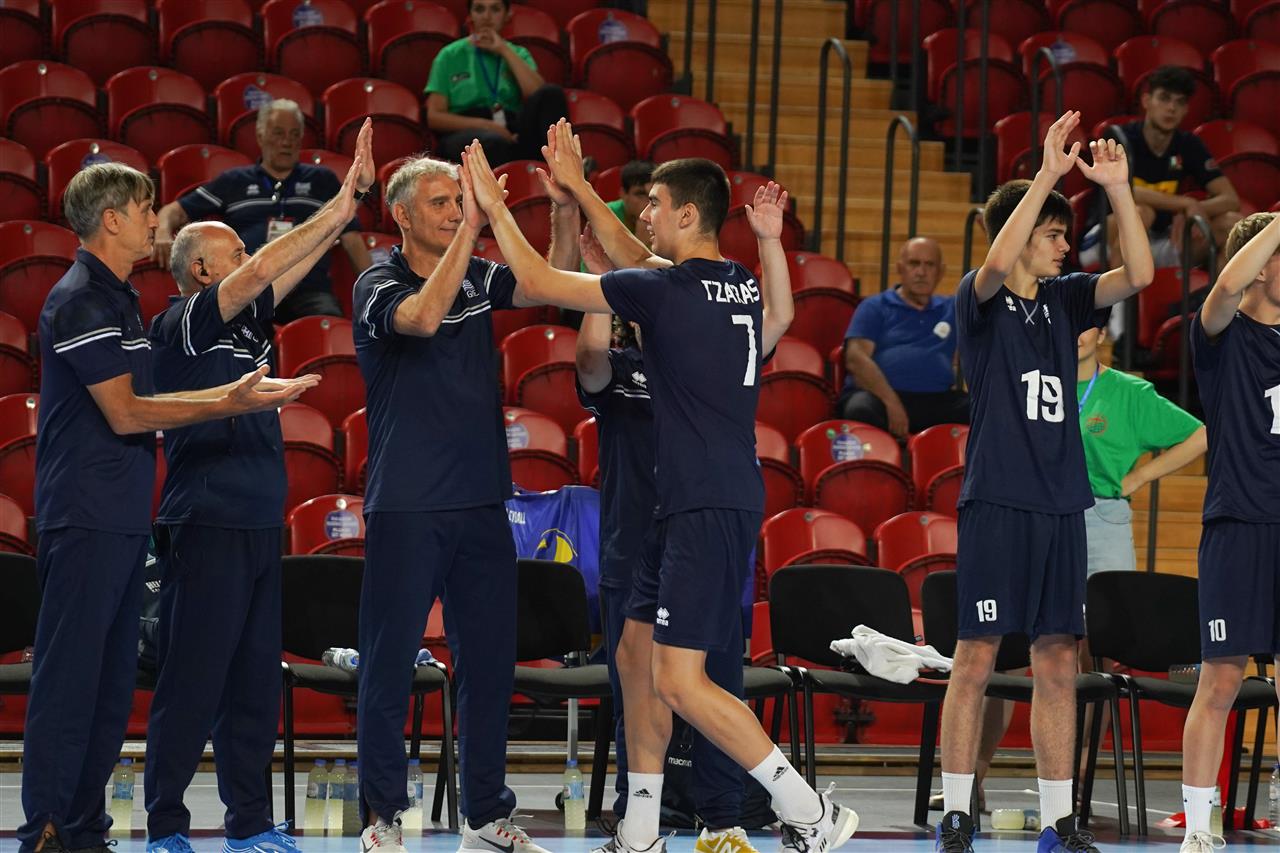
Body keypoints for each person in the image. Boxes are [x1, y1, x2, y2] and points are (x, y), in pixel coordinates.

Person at [465, 120, 857, 853]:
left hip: (705, 504)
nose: (644, 214)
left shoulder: (670, 291)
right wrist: (584, 193)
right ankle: (641, 830)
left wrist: (496, 207)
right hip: (686, 505)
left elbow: (541, 283)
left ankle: (809, 811)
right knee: (633, 659)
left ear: (687, 213)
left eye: (655, 204)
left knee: (680, 680)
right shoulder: (732, 282)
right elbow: (648, 260)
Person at [18, 163, 316, 853]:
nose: (156, 219)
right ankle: (47, 830)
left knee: (110, 686)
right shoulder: (79, 299)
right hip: (84, 512)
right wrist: (225, 402)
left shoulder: (120, 299)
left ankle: (84, 829)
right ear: (111, 218)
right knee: (71, 681)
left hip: (126, 515)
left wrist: (227, 399)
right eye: (145, 207)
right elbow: (126, 413)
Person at [140, 122, 375, 853]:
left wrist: (340, 217)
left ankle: (248, 824)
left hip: (257, 524)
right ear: (202, 271)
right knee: (192, 679)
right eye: (235, 255)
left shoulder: (248, 325)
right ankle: (165, 825)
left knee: (252, 684)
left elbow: (282, 265)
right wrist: (336, 208)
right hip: (205, 522)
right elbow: (269, 261)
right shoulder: (182, 321)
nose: (250, 262)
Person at [936, 111, 1154, 853]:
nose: (1066, 245)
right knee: (976, 655)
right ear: (1024, 232)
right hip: (999, 500)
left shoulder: (1065, 300)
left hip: (1063, 505)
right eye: (1054, 235)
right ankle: (957, 812)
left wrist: (1118, 191)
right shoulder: (981, 296)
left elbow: (1141, 275)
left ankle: (1060, 823)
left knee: (1059, 659)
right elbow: (998, 261)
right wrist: (1046, 177)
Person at [350, 152, 576, 853]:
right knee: (389, 663)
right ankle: (383, 817)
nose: (455, 212)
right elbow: (421, 318)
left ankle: (484, 817)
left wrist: (564, 206)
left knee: (488, 664)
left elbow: (554, 279)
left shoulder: (477, 272)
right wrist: (476, 227)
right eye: (442, 203)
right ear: (402, 215)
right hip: (408, 501)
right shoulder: (377, 282)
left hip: (482, 499)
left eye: (459, 200)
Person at [932, 317, 1206, 812]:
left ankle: (1074, 785)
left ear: (1102, 336)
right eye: (1069, 324)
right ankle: (973, 779)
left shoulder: (1129, 392)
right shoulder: (1033, 380)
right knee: (1007, 654)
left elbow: (1201, 434)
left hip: (1101, 517)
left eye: (1087, 326)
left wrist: (1138, 478)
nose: (1076, 333)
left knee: (1093, 659)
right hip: (1034, 514)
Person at [573, 227, 756, 853]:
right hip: (634, 550)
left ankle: (724, 820)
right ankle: (638, 821)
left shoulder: (709, 372)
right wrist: (601, 285)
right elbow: (589, 362)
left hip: (701, 541)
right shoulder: (622, 372)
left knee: (714, 683)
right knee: (639, 690)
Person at [1177, 211, 1280, 853]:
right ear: (1261, 266)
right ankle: (1198, 826)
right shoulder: (1222, 334)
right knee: (1219, 681)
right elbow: (1224, 287)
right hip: (1239, 524)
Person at [151, 98, 372, 323]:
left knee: (329, 329)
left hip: (308, 287)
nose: (287, 142)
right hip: (249, 286)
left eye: (295, 134)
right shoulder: (234, 181)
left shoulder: (322, 180)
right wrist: (162, 232)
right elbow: (175, 211)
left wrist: (375, 292)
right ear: (260, 136)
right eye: (278, 133)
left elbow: (351, 238)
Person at [1106, 66, 1240, 267]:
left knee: (1232, 224)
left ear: (1186, 110)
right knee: (1142, 213)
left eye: (1180, 102)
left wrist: (1195, 208)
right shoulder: (1119, 137)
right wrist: (1185, 204)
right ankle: (1118, 288)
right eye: (1164, 98)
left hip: (1163, 237)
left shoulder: (1188, 144)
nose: (1171, 108)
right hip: (1106, 238)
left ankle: (1218, 289)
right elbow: (1124, 192)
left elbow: (1230, 199)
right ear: (1146, 101)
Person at [838, 236, 969, 437]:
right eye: (914, 264)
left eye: (929, 265)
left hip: (937, 399)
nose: (921, 272)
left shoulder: (952, 308)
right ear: (900, 268)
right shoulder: (874, 306)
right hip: (881, 397)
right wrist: (891, 403)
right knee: (860, 409)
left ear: (941, 272)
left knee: (984, 410)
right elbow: (856, 359)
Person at [425, 0, 568, 165]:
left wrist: (504, 50)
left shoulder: (518, 53)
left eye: (495, 9)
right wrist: (486, 125)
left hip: (511, 126)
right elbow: (434, 117)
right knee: (493, 143)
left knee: (552, 93)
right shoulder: (449, 55)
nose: (487, 17)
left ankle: (564, 167)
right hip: (466, 130)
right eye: (479, 9)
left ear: (507, 15)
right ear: (470, 15)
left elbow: (537, 93)